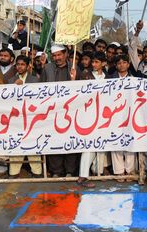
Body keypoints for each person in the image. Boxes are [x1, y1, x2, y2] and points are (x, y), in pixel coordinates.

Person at [41, 44, 81, 177]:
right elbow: (40, 89)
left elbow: (83, 90)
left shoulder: (74, 68)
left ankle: (70, 170)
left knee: (70, 140)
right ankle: (56, 171)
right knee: (54, 140)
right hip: (53, 111)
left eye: (59, 55)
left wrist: (75, 80)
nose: (57, 58)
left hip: (71, 112)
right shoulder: (47, 68)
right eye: (54, 55)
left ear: (65, 55)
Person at [77, 52, 111, 188]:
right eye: (93, 62)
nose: (94, 64)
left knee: (101, 144)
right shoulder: (85, 76)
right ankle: (83, 175)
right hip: (88, 115)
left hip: (104, 115)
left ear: (103, 63)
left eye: (97, 62)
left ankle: (98, 171)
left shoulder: (108, 78)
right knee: (89, 145)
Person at [107, 55, 137, 181]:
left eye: (124, 62)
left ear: (128, 64)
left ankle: (130, 171)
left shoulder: (135, 80)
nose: (122, 65)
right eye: (119, 63)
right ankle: (119, 171)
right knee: (116, 141)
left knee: (130, 140)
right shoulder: (109, 79)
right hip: (114, 114)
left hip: (130, 114)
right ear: (116, 65)